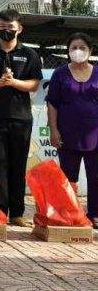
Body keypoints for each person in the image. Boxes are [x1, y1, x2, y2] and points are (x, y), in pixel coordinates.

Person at [0, 9, 42, 227]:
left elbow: (34, 84)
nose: (6, 31)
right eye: (2, 27)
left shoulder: (29, 55)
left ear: (19, 29)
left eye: (10, 27)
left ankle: (17, 213)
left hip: (21, 119)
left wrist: (13, 83)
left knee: (18, 166)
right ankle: (0, 212)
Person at [47, 32, 98, 228]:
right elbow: (52, 103)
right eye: (73, 48)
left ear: (90, 51)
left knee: (96, 177)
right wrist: (54, 130)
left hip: (95, 135)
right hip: (67, 135)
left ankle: (95, 214)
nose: (78, 51)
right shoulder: (60, 73)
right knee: (68, 178)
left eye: (82, 48)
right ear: (68, 51)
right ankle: (69, 214)